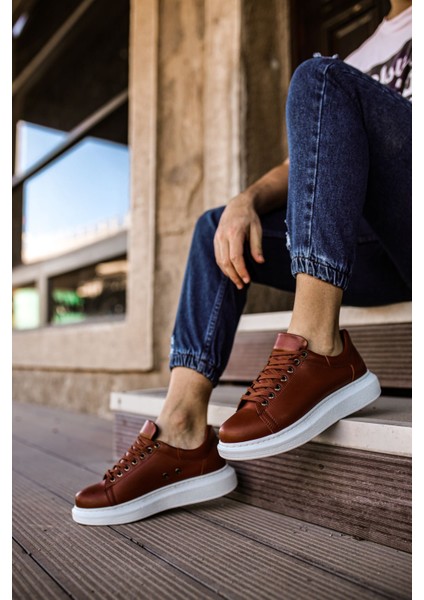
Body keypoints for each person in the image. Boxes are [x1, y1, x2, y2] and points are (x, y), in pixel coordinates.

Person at [72, 0, 411, 526]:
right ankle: (182, 431)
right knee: (218, 227)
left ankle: (317, 344)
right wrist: (245, 200)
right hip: (372, 250)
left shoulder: (337, 75)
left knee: (319, 77)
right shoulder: (361, 55)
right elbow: (305, 165)